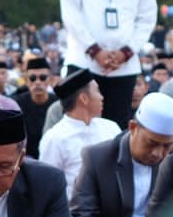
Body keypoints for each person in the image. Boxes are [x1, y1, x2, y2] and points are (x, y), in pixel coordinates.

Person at [37, 68, 121, 199]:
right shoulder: (55, 138)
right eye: (98, 91)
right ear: (84, 98)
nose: (102, 97)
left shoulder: (111, 127)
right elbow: (46, 187)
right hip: (73, 215)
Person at [11, 56, 56, 158]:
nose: (37, 82)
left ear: (50, 80)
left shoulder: (58, 104)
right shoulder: (16, 103)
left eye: (43, 78)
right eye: (32, 78)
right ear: (26, 81)